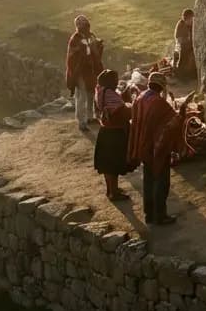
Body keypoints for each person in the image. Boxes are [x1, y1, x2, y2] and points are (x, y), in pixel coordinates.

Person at [127, 71, 193, 226]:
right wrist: (183, 108)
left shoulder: (140, 98)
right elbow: (172, 123)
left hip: (143, 146)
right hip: (157, 148)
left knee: (148, 180)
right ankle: (160, 215)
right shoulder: (159, 103)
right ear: (161, 86)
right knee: (161, 181)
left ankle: (149, 214)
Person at [93, 69, 131, 201]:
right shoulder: (109, 94)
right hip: (114, 133)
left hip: (105, 132)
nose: (117, 82)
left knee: (107, 165)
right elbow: (122, 112)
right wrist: (132, 106)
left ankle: (110, 189)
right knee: (113, 165)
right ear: (109, 82)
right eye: (115, 80)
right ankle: (113, 193)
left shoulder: (100, 91)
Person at [66, 14, 104, 131]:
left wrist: (98, 45)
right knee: (81, 96)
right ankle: (81, 122)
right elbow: (71, 57)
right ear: (79, 27)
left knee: (91, 93)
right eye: (84, 26)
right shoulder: (75, 39)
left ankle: (90, 117)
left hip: (90, 70)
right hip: (80, 71)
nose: (87, 28)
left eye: (87, 25)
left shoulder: (90, 36)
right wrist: (82, 53)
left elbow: (95, 52)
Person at [174, 9, 196, 81]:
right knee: (183, 55)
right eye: (190, 19)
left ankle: (192, 73)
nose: (192, 21)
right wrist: (187, 42)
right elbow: (179, 38)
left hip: (190, 45)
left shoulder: (192, 25)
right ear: (185, 19)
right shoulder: (181, 25)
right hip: (182, 45)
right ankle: (181, 75)